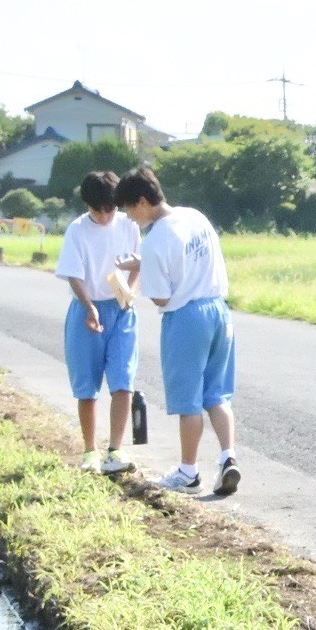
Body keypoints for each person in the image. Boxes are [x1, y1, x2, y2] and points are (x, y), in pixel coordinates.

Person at [115, 164, 239, 495]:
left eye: (129, 209)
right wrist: (145, 263)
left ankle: (188, 472)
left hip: (186, 319)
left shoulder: (154, 240)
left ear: (142, 201)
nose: (130, 217)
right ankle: (228, 458)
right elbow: (187, 260)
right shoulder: (193, 216)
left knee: (188, 401)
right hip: (219, 310)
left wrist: (144, 268)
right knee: (217, 393)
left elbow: (161, 295)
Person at [54, 170, 142, 474]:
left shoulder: (128, 223)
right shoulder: (76, 230)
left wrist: (128, 293)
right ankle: (90, 450)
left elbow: (138, 261)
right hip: (85, 308)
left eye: (110, 209)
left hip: (120, 306)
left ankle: (115, 450)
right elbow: (74, 274)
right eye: (98, 210)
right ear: (87, 206)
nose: (105, 217)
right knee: (86, 385)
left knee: (123, 379)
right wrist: (89, 306)